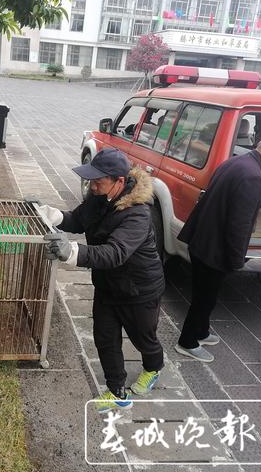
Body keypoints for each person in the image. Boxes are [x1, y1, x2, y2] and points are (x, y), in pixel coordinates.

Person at [40, 148, 165, 413]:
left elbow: (115, 253)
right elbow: (78, 219)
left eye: (99, 181)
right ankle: (117, 390)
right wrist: (49, 213)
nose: (93, 185)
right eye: (91, 179)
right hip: (108, 285)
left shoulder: (138, 213)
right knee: (105, 338)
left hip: (139, 290)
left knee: (143, 338)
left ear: (119, 181)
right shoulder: (99, 197)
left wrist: (72, 252)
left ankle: (153, 367)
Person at [175, 131, 261, 362]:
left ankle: (201, 332)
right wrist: (237, 260)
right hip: (213, 248)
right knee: (204, 298)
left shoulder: (236, 162)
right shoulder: (254, 177)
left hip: (202, 239)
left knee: (207, 294)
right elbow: (238, 225)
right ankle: (187, 342)